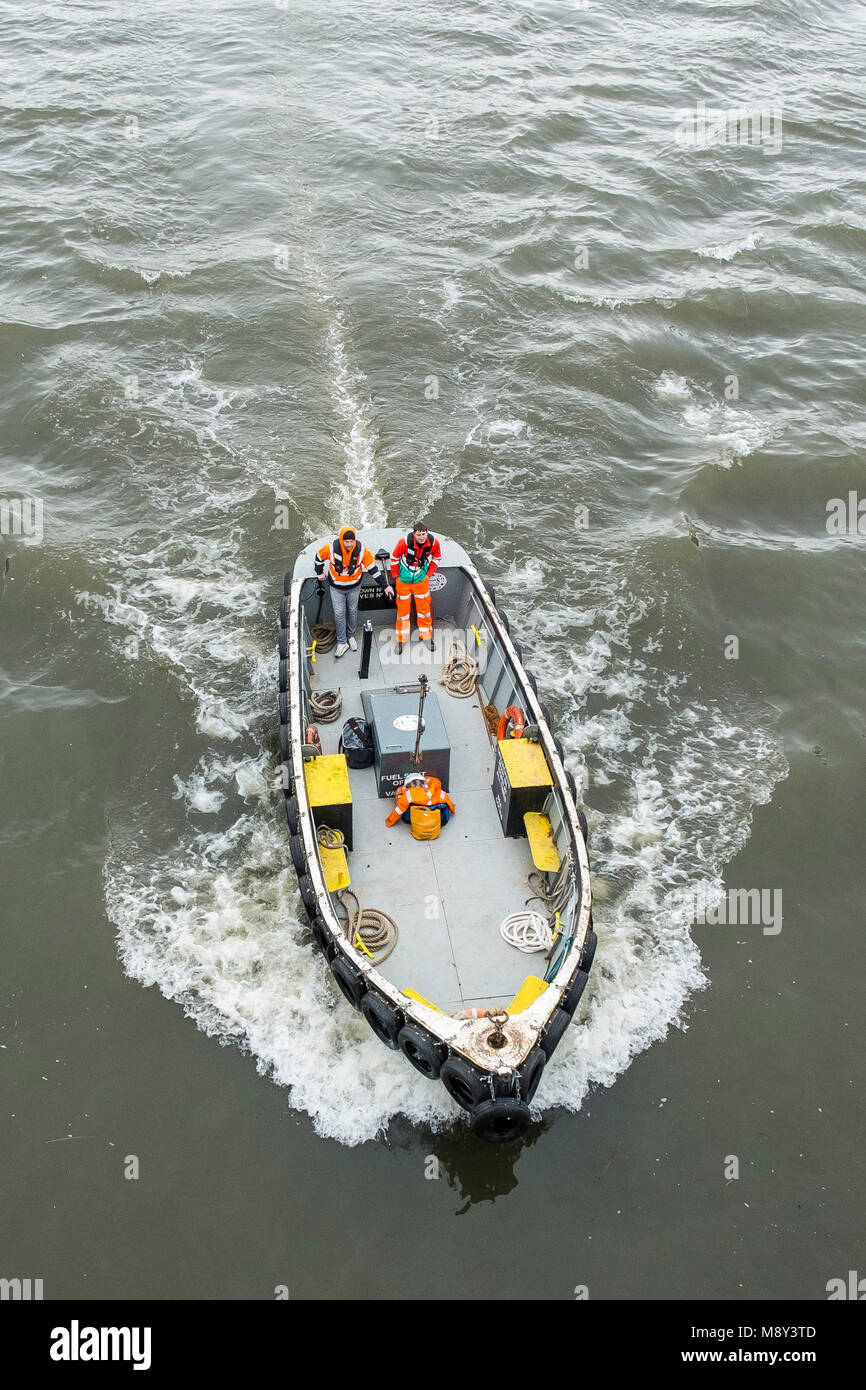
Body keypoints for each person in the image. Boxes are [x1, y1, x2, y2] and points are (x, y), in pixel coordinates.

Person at [314, 526, 394, 657]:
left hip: (354, 588)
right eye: (347, 542)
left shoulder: (361, 551)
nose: (350, 544)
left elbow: (373, 569)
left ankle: (351, 636)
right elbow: (318, 557)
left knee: (352, 611)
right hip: (336, 588)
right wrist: (319, 572)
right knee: (339, 614)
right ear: (341, 540)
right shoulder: (330, 549)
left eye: (352, 541)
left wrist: (385, 586)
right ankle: (342, 642)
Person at [389, 522, 442, 650]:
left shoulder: (434, 543)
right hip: (403, 581)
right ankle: (401, 640)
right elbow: (394, 558)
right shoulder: (404, 543)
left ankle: (427, 637)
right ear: (414, 534)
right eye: (419, 535)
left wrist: (429, 574)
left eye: (424, 534)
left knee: (424, 611)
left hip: (421, 581)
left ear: (427, 533)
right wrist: (396, 576)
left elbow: (437, 558)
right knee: (403, 613)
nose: (422, 537)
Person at [385, 770, 456, 840]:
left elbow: (399, 809)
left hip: (418, 820)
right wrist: (453, 811)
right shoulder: (437, 790)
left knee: (406, 811)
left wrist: (389, 822)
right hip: (439, 820)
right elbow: (448, 801)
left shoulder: (409, 794)